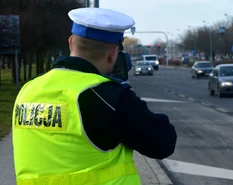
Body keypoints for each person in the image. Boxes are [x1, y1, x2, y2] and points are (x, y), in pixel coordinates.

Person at [12, 7, 177, 185]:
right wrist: (124, 95)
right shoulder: (108, 96)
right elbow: (163, 142)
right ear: (113, 54)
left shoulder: (28, 89)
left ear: (70, 43)